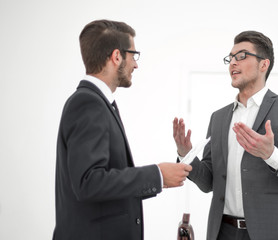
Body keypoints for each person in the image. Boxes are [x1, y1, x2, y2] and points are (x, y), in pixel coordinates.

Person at [53, 19, 192, 240]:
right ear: (117, 56)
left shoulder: (99, 102)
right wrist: (156, 174)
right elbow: (88, 183)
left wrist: (161, 178)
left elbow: (105, 183)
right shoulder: (88, 103)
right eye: (133, 56)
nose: (135, 64)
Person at [173, 31, 278, 240]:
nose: (233, 62)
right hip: (223, 231)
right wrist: (186, 154)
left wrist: (271, 155)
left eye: (241, 56)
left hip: (271, 232)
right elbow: (208, 183)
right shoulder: (219, 118)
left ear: (263, 65)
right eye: (230, 58)